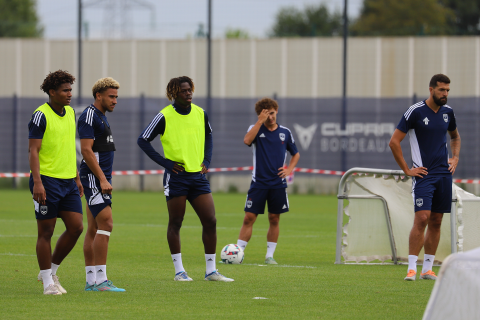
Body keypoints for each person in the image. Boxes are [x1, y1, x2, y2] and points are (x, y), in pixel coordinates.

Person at [137, 76, 233, 282]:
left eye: (190, 90)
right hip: (177, 178)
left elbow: (209, 136)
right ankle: (179, 272)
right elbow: (143, 140)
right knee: (176, 222)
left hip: (198, 177)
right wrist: (166, 163)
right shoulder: (164, 116)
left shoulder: (201, 113)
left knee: (210, 220)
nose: (188, 93)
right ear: (174, 93)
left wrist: (207, 159)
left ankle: (211, 271)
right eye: (183, 90)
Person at [389, 74, 461, 281]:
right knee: (422, 218)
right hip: (424, 175)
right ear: (431, 90)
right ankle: (411, 268)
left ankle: (427, 269)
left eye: (447, 90)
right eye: (441, 90)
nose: (445, 94)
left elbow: (455, 136)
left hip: (444, 175)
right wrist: (407, 170)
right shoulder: (415, 111)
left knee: (437, 221)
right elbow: (394, 142)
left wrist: (455, 158)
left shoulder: (448, 112)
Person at [29, 70, 84, 295]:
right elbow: (33, 150)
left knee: (76, 227)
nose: (70, 94)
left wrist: (77, 177)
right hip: (47, 181)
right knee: (46, 231)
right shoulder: (40, 115)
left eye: (71, 89)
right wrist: (38, 182)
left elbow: (68, 147)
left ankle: (50, 272)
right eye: (65, 90)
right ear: (52, 92)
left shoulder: (70, 113)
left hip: (68, 181)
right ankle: (47, 285)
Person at [236, 98, 300, 264]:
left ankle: (269, 256)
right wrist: (260, 121)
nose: (270, 117)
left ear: (276, 111)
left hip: (277, 184)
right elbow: (247, 141)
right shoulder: (255, 128)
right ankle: (237, 254)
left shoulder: (285, 132)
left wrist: (289, 170)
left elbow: (296, 154)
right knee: (248, 218)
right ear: (260, 115)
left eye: (271, 113)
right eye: (266, 114)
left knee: (274, 219)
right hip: (258, 183)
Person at [78, 77, 125, 292]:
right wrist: (103, 179)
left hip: (99, 179)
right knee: (106, 224)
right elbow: (86, 150)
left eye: (116, 96)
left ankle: (91, 281)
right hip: (95, 179)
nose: (115, 100)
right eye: (111, 96)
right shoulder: (89, 115)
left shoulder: (101, 116)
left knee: (94, 228)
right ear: (99, 95)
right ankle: (101, 281)